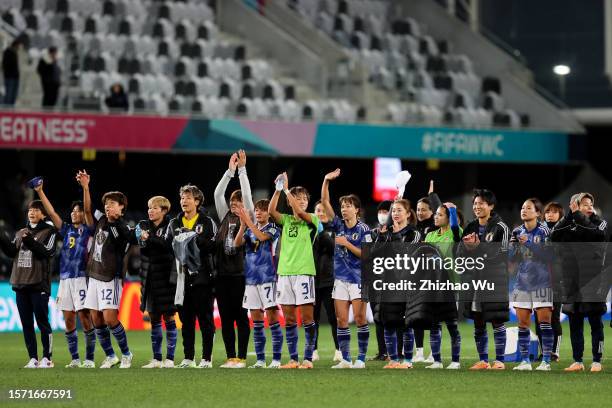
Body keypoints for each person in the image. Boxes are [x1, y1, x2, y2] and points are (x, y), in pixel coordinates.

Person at [33, 171, 97, 368]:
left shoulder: (87, 228)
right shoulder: (66, 228)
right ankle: (75, 359)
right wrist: (40, 191)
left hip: (80, 277)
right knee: (68, 319)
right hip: (64, 279)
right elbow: (52, 213)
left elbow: (88, 210)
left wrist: (86, 187)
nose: (74, 212)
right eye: (73, 210)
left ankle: (89, 359)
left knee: (85, 318)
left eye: (77, 210)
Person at [320, 169, 371, 369]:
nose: (344, 209)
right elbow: (324, 202)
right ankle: (346, 359)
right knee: (341, 319)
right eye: (342, 206)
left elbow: (368, 255)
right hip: (340, 279)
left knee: (359, 318)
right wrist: (326, 180)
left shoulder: (363, 229)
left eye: (348, 206)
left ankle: (361, 359)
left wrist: (347, 244)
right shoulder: (338, 225)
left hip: (360, 279)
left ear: (356, 209)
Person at [268, 172, 320, 369]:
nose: (301, 201)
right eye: (297, 199)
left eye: (305, 199)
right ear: (290, 202)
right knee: (289, 318)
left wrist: (287, 189)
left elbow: (299, 213)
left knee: (307, 318)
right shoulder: (286, 220)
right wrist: (278, 189)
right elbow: (272, 210)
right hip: (285, 273)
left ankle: (307, 359)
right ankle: (292, 359)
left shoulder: (312, 220)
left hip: (304, 272)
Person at [551, 192, 607, 372]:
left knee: (595, 321)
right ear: (574, 205)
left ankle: (597, 360)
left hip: (593, 279)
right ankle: (578, 360)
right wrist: (569, 215)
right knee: (575, 321)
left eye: (590, 203)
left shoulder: (599, 223)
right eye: (584, 204)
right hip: (571, 280)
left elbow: (597, 236)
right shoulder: (568, 223)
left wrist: (577, 215)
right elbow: (553, 236)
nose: (589, 206)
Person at [0, 200, 57, 368]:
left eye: (36, 210)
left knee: (42, 322)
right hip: (20, 284)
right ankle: (33, 358)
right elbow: (11, 251)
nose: (32, 212)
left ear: (43, 214)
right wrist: (1, 237)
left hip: (39, 285)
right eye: (30, 210)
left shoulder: (50, 231)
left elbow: (47, 252)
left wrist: (30, 241)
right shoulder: (21, 232)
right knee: (26, 324)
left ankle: (47, 358)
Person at [459, 189, 510, 370]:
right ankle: (483, 360)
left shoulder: (501, 227)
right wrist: (467, 248)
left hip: (494, 280)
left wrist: (479, 247)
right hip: (475, 280)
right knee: (478, 320)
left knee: (496, 319)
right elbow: (460, 253)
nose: (477, 207)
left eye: (481, 203)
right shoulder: (470, 227)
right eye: (475, 204)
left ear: (491, 206)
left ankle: (500, 361)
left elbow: (502, 255)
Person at [168, 184, 217, 368]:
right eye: (182, 198)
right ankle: (188, 357)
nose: (184, 201)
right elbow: (168, 246)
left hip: (202, 277)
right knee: (186, 320)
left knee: (205, 319)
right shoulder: (174, 223)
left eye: (188, 198)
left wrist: (193, 239)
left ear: (197, 201)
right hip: (181, 279)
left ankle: (206, 358)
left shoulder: (206, 222)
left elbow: (214, 246)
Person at [84, 191, 133, 368]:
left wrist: (117, 222)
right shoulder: (101, 220)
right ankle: (111, 355)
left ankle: (127, 353)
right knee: (96, 319)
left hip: (109, 277)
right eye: (106, 203)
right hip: (94, 275)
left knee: (110, 319)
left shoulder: (123, 228)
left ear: (121, 208)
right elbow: (87, 209)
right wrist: (86, 187)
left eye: (112, 203)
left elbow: (127, 243)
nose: (108, 206)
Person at [213, 150, 254, 368]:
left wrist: (243, 171)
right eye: (232, 201)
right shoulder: (224, 217)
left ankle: (243, 357)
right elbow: (217, 194)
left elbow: (247, 196)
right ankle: (231, 357)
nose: (234, 204)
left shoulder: (249, 218)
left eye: (238, 202)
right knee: (226, 318)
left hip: (240, 275)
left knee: (241, 317)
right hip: (222, 275)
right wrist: (229, 172)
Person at [371, 199, 421, 369]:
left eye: (399, 210)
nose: (395, 214)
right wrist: (383, 236)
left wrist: (394, 235)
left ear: (408, 214)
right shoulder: (387, 233)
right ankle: (393, 359)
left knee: (406, 324)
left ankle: (407, 360)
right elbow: (374, 254)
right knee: (388, 322)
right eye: (394, 211)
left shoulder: (414, 234)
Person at [234, 200, 282, 368]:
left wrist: (248, 222)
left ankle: (276, 359)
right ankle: (261, 359)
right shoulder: (250, 229)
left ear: (268, 213)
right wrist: (242, 225)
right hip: (251, 279)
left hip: (268, 277)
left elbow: (262, 238)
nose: (259, 213)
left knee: (272, 318)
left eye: (262, 210)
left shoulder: (273, 228)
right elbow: (236, 243)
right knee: (256, 320)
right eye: (257, 210)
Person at [509, 198, 554, 371]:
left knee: (544, 322)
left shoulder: (544, 231)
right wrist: (512, 249)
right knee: (522, 323)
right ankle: (525, 361)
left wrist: (527, 242)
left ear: (537, 213)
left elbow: (550, 256)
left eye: (528, 208)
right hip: (522, 283)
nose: (524, 210)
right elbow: (511, 259)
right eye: (522, 207)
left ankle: (546, 362)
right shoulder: (516, 231)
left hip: (542, 282)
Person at [134, 196, 178, 369]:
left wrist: (149, 238)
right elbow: (143, 246)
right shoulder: (144, 224)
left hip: (166, 278)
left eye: (154, 208)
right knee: (153, 318)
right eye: (149, 208)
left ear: (164, 210)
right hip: (149, 278)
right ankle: (157, 358)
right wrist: (148, 239)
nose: (150, 211)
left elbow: (167, 245)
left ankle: (170, 359)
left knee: (168, 316)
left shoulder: (171, 225)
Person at [424, 201, 463, 369]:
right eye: (436, 214)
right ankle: (437, 361)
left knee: (451, 323)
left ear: (448, 218)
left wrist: (453, 210)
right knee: (434, 324)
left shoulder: (455, 233)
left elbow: (455, 226)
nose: (436, 217)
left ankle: (455, 361)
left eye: (440, 214)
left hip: (450, 285)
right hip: (433, 285)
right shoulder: (430, 236)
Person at [534, 201, 565, 361]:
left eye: (554, 212)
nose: (550, 214)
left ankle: (555, 352)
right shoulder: (538, 231)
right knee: (539, 319)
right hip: (538, 282)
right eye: (548, 212)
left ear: (560, 215)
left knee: (553, 318)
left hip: (556, 282)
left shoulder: (564, 233)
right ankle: (543, 351)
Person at [312, 200, 340, 362]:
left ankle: (338, 349)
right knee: (312, 318)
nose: (321, 213)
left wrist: (321, 233)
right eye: (317, 210)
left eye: (323, 210)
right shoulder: (309, 230)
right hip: (312, 279)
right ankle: (313, 350)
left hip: (330, 280)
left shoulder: (333, 230)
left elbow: (332, 249)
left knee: (332, 316)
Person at [368, 200, 392, 361]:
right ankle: (382, 351)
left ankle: (395, 351)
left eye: (386, 211)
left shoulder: (397, 233)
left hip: (392, 280)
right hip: (375, 280)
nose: (383, 214)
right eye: (381, 211)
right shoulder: (372, 233)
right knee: (377, 317)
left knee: (393, 316)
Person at [2, 38, 22, 106]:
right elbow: (5, 65)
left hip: (14, 77)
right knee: (9, 94)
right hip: (10, 77)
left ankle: (11, 107)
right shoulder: (8, 52)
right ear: (16, 45)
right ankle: (7, 108)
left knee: (13, 94)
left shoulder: (14, 52)